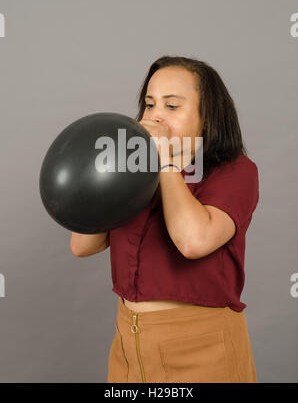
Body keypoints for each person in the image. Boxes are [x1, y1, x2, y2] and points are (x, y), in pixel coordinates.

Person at [70, 55, 259, 383]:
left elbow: (193, 241)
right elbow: (81, 245)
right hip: (130, 346)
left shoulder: (236, 171)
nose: (155, 116)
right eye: (149, 104)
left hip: (202, 349)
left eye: (172, 106)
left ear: (207, 117)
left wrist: (165, 162)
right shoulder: (131, 171)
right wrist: (106, 177)